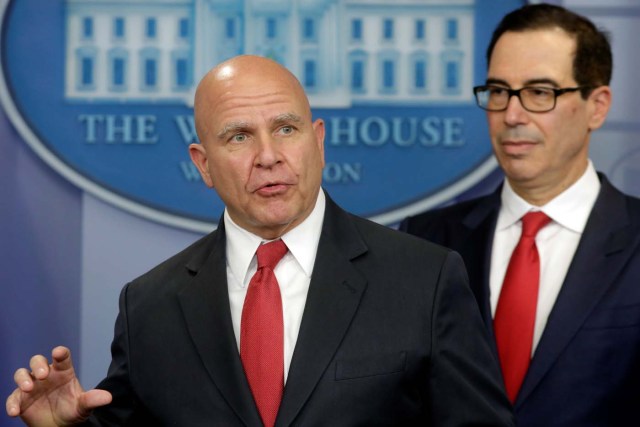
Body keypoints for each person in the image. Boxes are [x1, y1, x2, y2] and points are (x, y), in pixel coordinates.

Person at [6, 55, 513, 426]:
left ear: (317, 141)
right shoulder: (149, 306)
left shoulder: (423, 279)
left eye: (286, 128)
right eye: (239, 136)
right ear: (203, 164)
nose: (269, 156)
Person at [401, 3, 640, 427]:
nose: (511, 115)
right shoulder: (425, 240)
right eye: (498, 91)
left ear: (597, 106)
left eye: (539, 93)